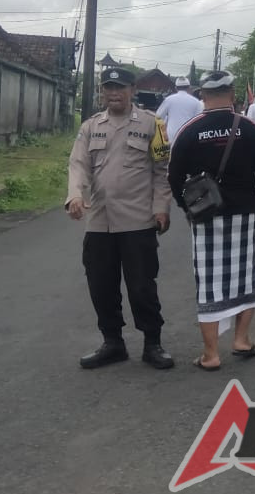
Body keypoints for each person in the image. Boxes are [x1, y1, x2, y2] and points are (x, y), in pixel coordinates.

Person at [167, 70, 255, 371]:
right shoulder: (249, 128)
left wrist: (185, 207)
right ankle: (242, 340)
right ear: (232, 94)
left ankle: (211, 354)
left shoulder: (190, 131)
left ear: (202, 95)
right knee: (248, 277)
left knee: (210, 282)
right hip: (245, 215)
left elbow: (173, 176)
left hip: (206, 216)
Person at [65, 67, 174, 370]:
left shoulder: (153, 125)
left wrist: (161, 208)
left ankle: (153, 343)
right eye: (107, 88)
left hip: (138, 221)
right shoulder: (90, 127)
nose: (113, 93)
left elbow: (162, 172)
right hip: (99, 221)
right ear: (102, 91)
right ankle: (112, 342)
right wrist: (75, 195)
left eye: (120, 88)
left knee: (141, 286)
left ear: (132, 90)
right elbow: (78, 165)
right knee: (101, 285)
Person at [155, 76, 204, 144]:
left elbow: (158, 116)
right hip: (189, 136)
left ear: (176, 88)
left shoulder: (169, 99)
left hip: (171, 135)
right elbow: (200, 120)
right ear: (189, 87)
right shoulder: (196, 102)